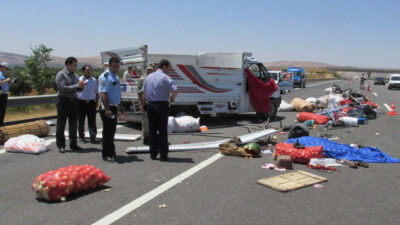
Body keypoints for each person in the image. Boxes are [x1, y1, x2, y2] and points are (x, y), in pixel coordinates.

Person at [142, 59, 178, 161]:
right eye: (169, 67)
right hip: (162, 105)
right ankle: (163, 154)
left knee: (152, 130)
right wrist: (172, 98)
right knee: (162, 130)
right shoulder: (165, 77)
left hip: (150, 105)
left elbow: (143, 92)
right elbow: (175, 90)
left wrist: (143, 103)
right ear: (165, 66)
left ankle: (153, 153)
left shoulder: (148, 77)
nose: (169, 70)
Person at [55, 57, 85, 153]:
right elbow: (63, 88)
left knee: (73, 123)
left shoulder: (75, 75)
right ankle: (61, 144)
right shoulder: (61, 75)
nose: (75, 67)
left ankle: (73, 144)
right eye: (74, 65)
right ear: (68, 64)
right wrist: (77, 86)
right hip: (63, 101)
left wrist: (81, 87)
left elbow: (77, 88)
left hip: (74, 101)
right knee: (61, 123)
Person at [98, 57, 125, 162]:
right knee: (108, 132)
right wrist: (108, 109)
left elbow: (117, 93)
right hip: (107, 108)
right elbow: (103, 94)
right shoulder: (105, 77)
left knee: (112, 131)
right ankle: (106, 154)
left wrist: (121, 105)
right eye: (114, 66)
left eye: (118, 66)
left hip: (114, 106)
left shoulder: (115, 76)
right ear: (109, 66)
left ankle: (111, 151)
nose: (116, 68)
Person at [77, 65, 99, 144]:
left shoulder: (94, 80)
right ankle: (81, 136)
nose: (89, 72)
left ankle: (93, 137)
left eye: (90, 70)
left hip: (91, 102)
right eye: (87, 70)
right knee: (81, 120)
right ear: (83, 71)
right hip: (81, 102)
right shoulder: (79, 79)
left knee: (92, 120)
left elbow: (96, 92)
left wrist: (97, 101)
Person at [137, 64, 154, 145]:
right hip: (145, 103)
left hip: (153, 102)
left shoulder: (155, 78)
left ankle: (152, 137)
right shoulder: (142, 79)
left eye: (151, 70)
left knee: (153, 121)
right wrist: (140, 104)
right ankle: (146, 138)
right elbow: (139, 93)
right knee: (145, 121)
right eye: (148, 70)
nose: (149, 71)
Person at [0, 62, 11, 126]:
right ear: (2, 67)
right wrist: (7, 80)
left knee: (2, 110)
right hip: (1, 94)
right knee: (1, 110)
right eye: (6, 68)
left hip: (3, 94)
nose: (6, 70)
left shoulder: (2, 75)